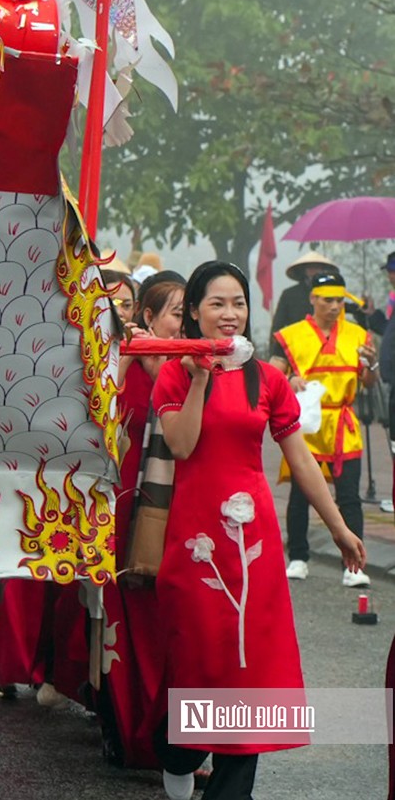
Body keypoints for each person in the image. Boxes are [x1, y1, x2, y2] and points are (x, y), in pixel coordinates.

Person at [152, 261, 365, 800]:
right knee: (199, 662)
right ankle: (178, 752)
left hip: (253, 541)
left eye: (239, 303)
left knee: (246, 666)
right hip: (196, 540)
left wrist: (338, 528)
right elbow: (180, 445)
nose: (230, 314)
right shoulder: (176, 371)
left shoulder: (267, 379)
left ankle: (231, 792)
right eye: (217, 304)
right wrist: (201, 374)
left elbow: (302, 459)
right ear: (195, 311)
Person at [96, 269, 185, 768]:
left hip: (185, 510)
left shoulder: (204, 368)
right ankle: (128, 732)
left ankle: (184, 745)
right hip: (126, 505)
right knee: (125, 625)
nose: (187, 320)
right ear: (149, 318)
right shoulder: (121, 358)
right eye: (178, 312)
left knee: (179, 628)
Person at [270, 270, 375, 587]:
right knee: (301, 495)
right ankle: (299, 557)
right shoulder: (291, 335)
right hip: (308, 424)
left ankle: (353, 564)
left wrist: (371, 365)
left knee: (349, 497)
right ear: (313, 299)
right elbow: (273, 377)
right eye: (328, 299)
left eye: (340, 300)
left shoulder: (358, 335)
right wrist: (290, 380)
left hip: (344, 423)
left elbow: (367, 382)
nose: (335, 305)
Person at [271, 251, 337, 335]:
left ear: (323, 270)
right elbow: (277, 327)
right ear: (304, 270)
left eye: (317, 267)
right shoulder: (289, 295)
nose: (314, 270)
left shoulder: (332, 294)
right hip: (297, 342)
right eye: (310, 267)